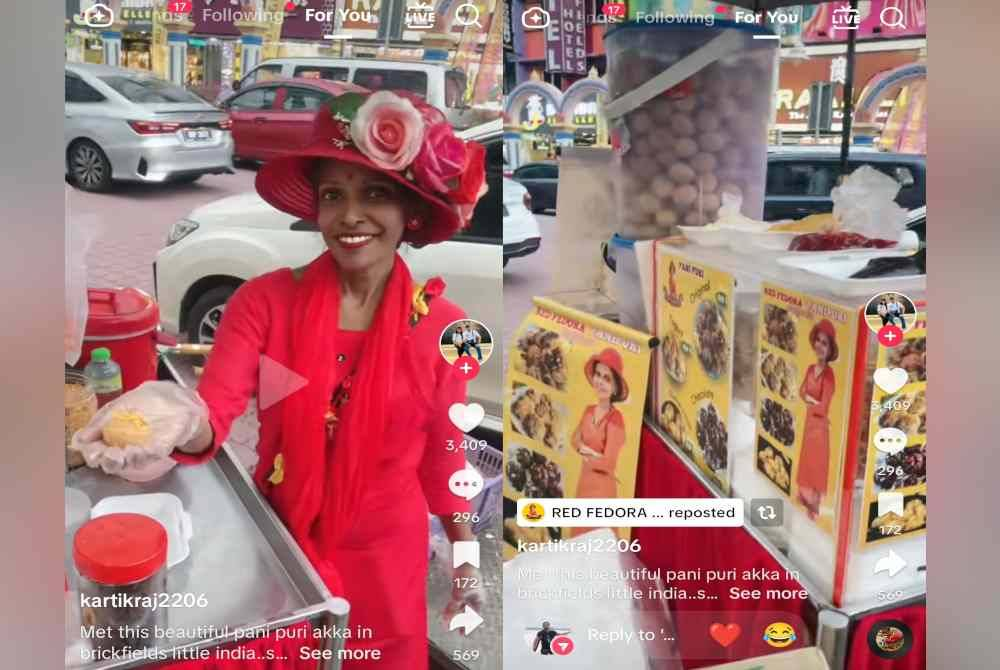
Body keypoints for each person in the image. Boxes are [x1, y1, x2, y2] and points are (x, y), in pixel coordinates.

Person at [75, 88, 488, 669]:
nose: (350, 216)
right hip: (282, 550)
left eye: (375, 194)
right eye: (332, 195)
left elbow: (446, 459)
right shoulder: (264, 303)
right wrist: (176, 420)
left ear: (409, 212)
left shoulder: (446, 329)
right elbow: (213, 413)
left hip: (386, 562)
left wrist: (466, 557)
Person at [571, 348, 627, 503]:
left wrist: (584, 452)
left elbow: (609, 463)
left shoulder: (616, 419)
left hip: (602, 490)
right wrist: (594, 454)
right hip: (584, 483)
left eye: (607, 378)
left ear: (615, 387)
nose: (600, 381)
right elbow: (574, 440)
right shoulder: (588, 411)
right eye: (598, 374)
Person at [797, 320, 838, 520]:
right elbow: (801, 391)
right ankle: (805, 507)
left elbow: (824, 405)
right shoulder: (810, 369)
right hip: (808, 424)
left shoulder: (829, 375)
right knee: (806, 465)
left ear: (830, 349)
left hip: (820, 428)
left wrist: (810, 401)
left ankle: (813, 510)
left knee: (815, 467)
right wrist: (811, 400)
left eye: (825, 343)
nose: (820, 346)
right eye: (819, 341)